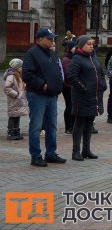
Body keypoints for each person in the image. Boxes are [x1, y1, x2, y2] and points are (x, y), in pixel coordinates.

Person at [22, 28, 67, 167]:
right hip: (37, 95)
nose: (52, 40)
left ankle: (50, 153)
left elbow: (58, 71)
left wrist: (58, 85)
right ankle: (35, 156)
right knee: (36, 126)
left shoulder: (52, 54)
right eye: (49, 38)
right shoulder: (32, 54)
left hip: (52, 96)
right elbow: (27, 75)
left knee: (52, 126)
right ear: (40, 39)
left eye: (53, 38)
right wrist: (43, 85)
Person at [68, 35, 106, 161]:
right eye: (88, 44)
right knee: (79, 123)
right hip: (82, 97)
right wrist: (83, 88)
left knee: (90, 123)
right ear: (81, 46)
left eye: (92, 44)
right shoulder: (77, 59)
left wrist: (102, 84)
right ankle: (75, 151)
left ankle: (86, 149)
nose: (91, 46)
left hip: (94, 96)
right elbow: (72, 76)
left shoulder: (94, 56)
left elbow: (100, 72)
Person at [4, 58, 28, 140]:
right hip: (14, 100)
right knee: (13, 116)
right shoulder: (11, 76)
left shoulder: (18, 76)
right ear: (16, 67)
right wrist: (16, 94)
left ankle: (16, 131)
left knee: (17, 116)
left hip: (18, 100)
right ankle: (11, 132)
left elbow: (20, 87)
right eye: (21, 67)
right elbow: (7, 88)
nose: (22, 68)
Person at [61, 41, 76, 134]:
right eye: (75, 47)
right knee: (69, 106)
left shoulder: (73, 58)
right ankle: (68, 127)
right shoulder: (66, 59)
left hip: (73, 86)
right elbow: (68, 73)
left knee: (73, 106)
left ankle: (73, 125)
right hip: (68, 86)